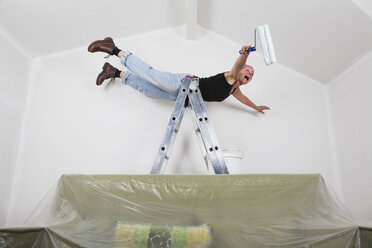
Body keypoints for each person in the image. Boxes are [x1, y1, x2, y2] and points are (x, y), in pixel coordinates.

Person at [88, 37, 270, 114]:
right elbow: (237, 66)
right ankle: (114, 48)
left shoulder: (233, 90)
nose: (250, 74)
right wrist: (244, 54)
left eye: (252, 75)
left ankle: (114, 72)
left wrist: (256, 107)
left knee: (148, 89)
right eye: (248, 70)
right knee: (151, 75)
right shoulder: (231, 76)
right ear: (241, 70)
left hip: (184, 98)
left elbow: (244, 99)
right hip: (187, 84)